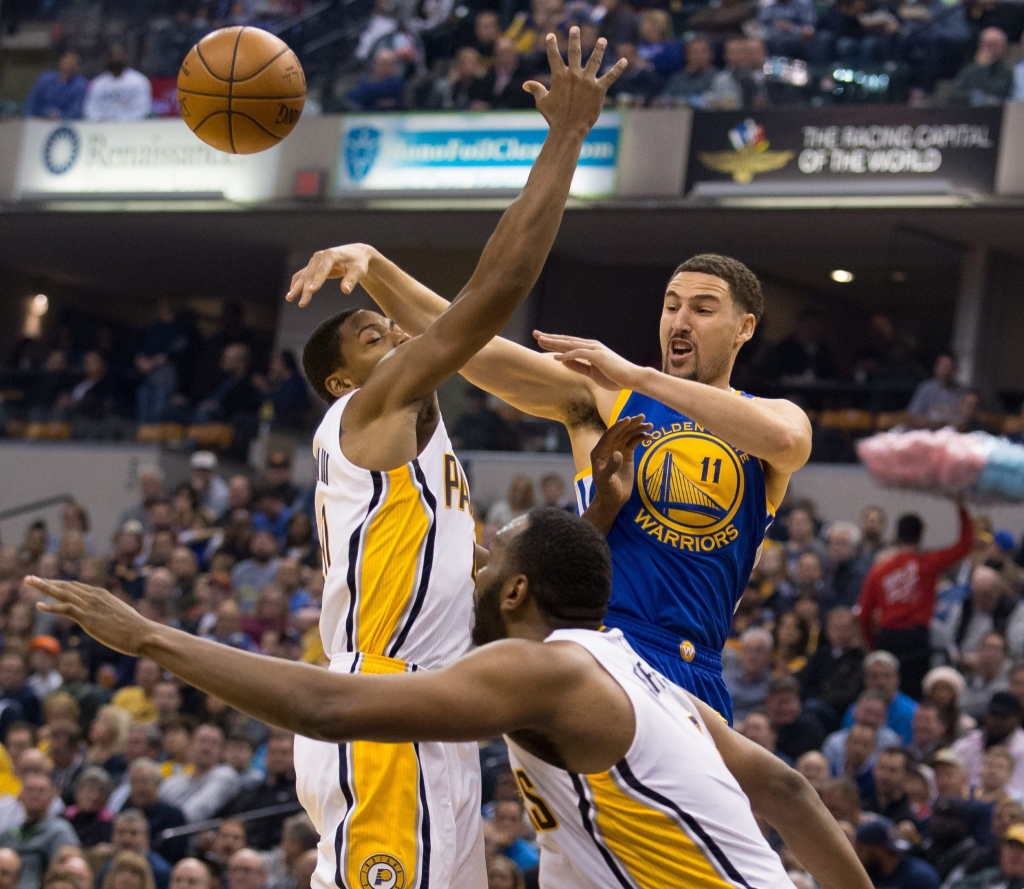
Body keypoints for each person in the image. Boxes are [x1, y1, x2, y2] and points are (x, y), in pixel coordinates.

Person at [28, 507, 872, 889]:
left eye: (491, 558)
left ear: (516, 594)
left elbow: (330, 710)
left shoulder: (546, 673)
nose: (475, 568)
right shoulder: (648, 681)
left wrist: (149, 637)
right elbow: (790, 791)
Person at [270, 30, 629, 889]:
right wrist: (566, 138)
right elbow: (493, 292)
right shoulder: (369, 412)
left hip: (429, 711)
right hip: (388, 714)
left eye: (386, 325)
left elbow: (485, 601)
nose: (391, 332)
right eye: (369, 334)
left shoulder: (422, 463)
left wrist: (600, 517)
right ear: (339, 380)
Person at [315, 250, 811, 729]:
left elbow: (786, 442)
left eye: (702, 310)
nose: (680, 321)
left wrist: (641, 377)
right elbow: (470, 345)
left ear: (745, 328)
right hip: (602, 647)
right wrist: (376, 269)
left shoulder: (773, 415)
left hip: (697, 667)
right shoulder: (602, 395)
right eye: (671, 306)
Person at [858, 504, 973, 699]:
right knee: (914, 695)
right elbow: (965, 545)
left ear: (896, 534)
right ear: (921, 536)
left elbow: (864, 614)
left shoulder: (879, 571)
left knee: (882, 695)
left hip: (888, 637)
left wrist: (872, 643)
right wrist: (961, 508)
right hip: (916, 640)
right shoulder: (927, 563)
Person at [0, 774, 79, 889]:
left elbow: (66, 873)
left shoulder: (60, 831)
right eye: (29, 790)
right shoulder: (7, 834)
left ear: (52, 797)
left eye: (41, 791)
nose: (35, 795)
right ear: (19, 796)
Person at [799, 607, 865, 728]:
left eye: (844, 629)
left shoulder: (859, 657)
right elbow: (804, 681)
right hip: (812, 704)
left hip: (839, 712)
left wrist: (821, 699)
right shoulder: (820, 655)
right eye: (836, 628)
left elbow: (851, 693)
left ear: (854, 629)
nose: (840, 633)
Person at [158, 725, 239, 823]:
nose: (207, 748)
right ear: (190, 745)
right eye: (202, 741)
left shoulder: (225, 775)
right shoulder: (176, 781)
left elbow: (196, 813)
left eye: (214, 743)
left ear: (222, 751)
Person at [954, 693, 1024, 798]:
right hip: (967, 801)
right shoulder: (968, 743)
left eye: (1004, 717)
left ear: (1017, 719)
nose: (997, 721)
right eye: (994, 715)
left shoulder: (1021, 748)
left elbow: (1018, 792)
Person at [841, 653, 918, 744]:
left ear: (897, 679)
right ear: (865, 679)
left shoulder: (912, 712)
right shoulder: (854, 710)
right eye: (874, 676)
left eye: (887, 676)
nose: (881, 682)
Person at [854, 818, 940, 889]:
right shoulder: (869, 875)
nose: (857, 855)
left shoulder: (920, 877)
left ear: (877, 850)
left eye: (860, 849)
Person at [83, 45, 152, 122]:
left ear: (126, 57)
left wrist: (122, 122)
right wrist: (103, 121)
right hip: (104, 126)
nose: (116, 60)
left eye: (119, 56)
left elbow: (142, 109)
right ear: (107, 59)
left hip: (132, 126)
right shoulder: (98, 83)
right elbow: (91, 109)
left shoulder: (138, 80)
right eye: (113, 57)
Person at [949, 27, 1014, 106]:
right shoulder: (968, 69)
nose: (991, 49)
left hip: (996, 113)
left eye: (995, 45)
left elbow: (998, 91)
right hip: (967, 113)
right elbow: (954, 94)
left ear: (1003, 47)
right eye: (988, 44)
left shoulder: (1006, 70)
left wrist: (984, 68)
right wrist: (974, 95)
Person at [722, 627, 774, 722]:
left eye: (759, 650)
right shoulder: (724, 679)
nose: (752, 656)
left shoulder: (773, 686)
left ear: (769, 654)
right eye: (747, 650)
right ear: (740, 653)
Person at [951, 822, 1024, 889]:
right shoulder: (989, 876)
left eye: (1022, 849)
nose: (1015, 855)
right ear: (1001, 852)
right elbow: (958, 885)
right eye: (1010, 848)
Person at [908, 355, 968, 428]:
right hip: (926, 432)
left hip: (951, 434)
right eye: (943, 366)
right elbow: (912, 417)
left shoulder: (963, 392)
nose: (946, 370)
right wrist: (936, 422)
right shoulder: (926, 389)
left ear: (955, 369)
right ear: (936, 368)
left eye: (949, 367)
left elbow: (965, 420)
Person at [24, 52, 88, 120]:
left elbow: (77, 109)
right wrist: (30, 117)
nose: (67, 66)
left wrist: (61, 116)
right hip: (39, 118)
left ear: (77, 67)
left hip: (65, 122)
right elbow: (33, 100)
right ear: (60, 63)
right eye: (66, 63)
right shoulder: (45, 78)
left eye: (71, 64)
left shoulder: (80, 84)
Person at [660, 37, 718, 105]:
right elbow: (664, 98)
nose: (698, 56)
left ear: (710, 54)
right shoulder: (677, 78)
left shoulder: (719, 78)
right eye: (694, 52)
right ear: (687, 55)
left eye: (702, 52)